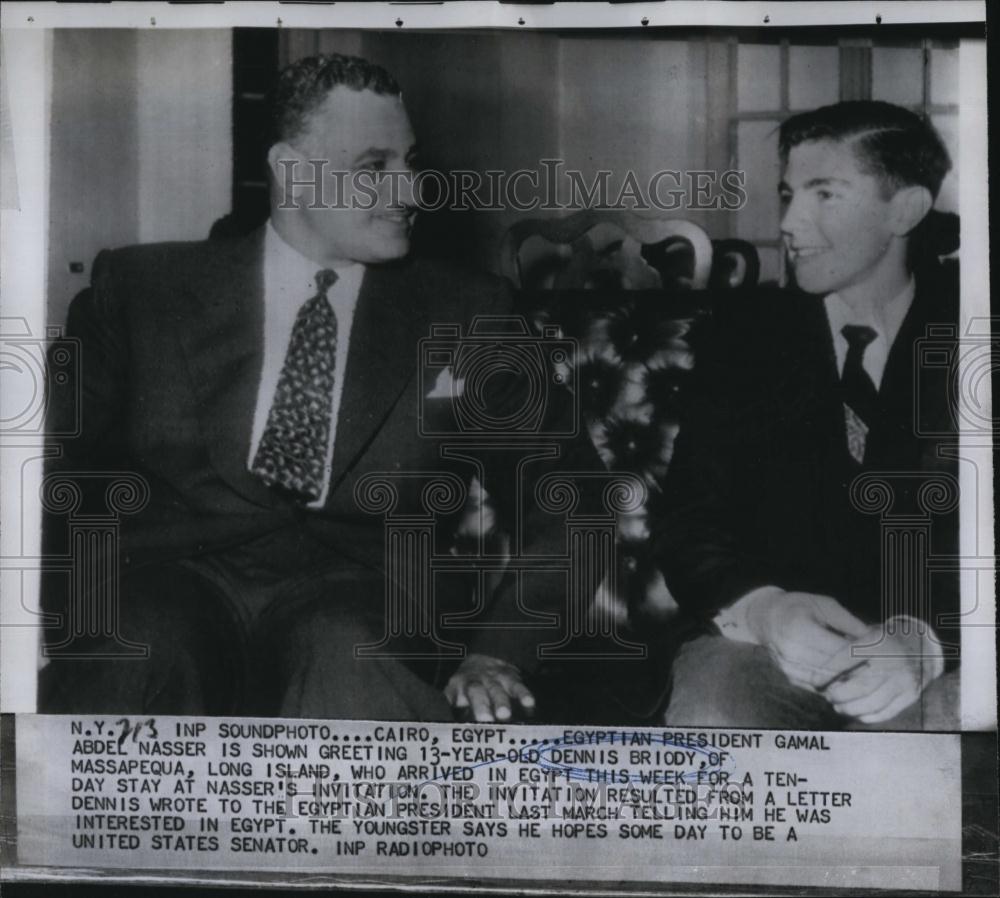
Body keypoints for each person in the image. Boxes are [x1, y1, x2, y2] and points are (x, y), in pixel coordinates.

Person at [40, 53, 512, 720]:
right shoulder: (143, 291)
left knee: (349, 666)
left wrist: (497, 649)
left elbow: (564, 495)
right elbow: (41, 461)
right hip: (169, 581)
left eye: (410, 164)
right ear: (291, 170)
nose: (409, 192)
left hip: (363, 596)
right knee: (133, 651)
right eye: (374, 168)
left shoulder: (471, 312)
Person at [654, 100, 960, 729]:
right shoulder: (744, 335)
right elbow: (690, 518)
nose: (790, 222)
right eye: (789, 193)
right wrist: (766, 610)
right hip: (764, 649)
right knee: (716, 708)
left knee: (937, 741)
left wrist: (925, 641)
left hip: (938, 654)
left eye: (825, 195)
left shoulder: (973, 329)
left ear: (905, 209)